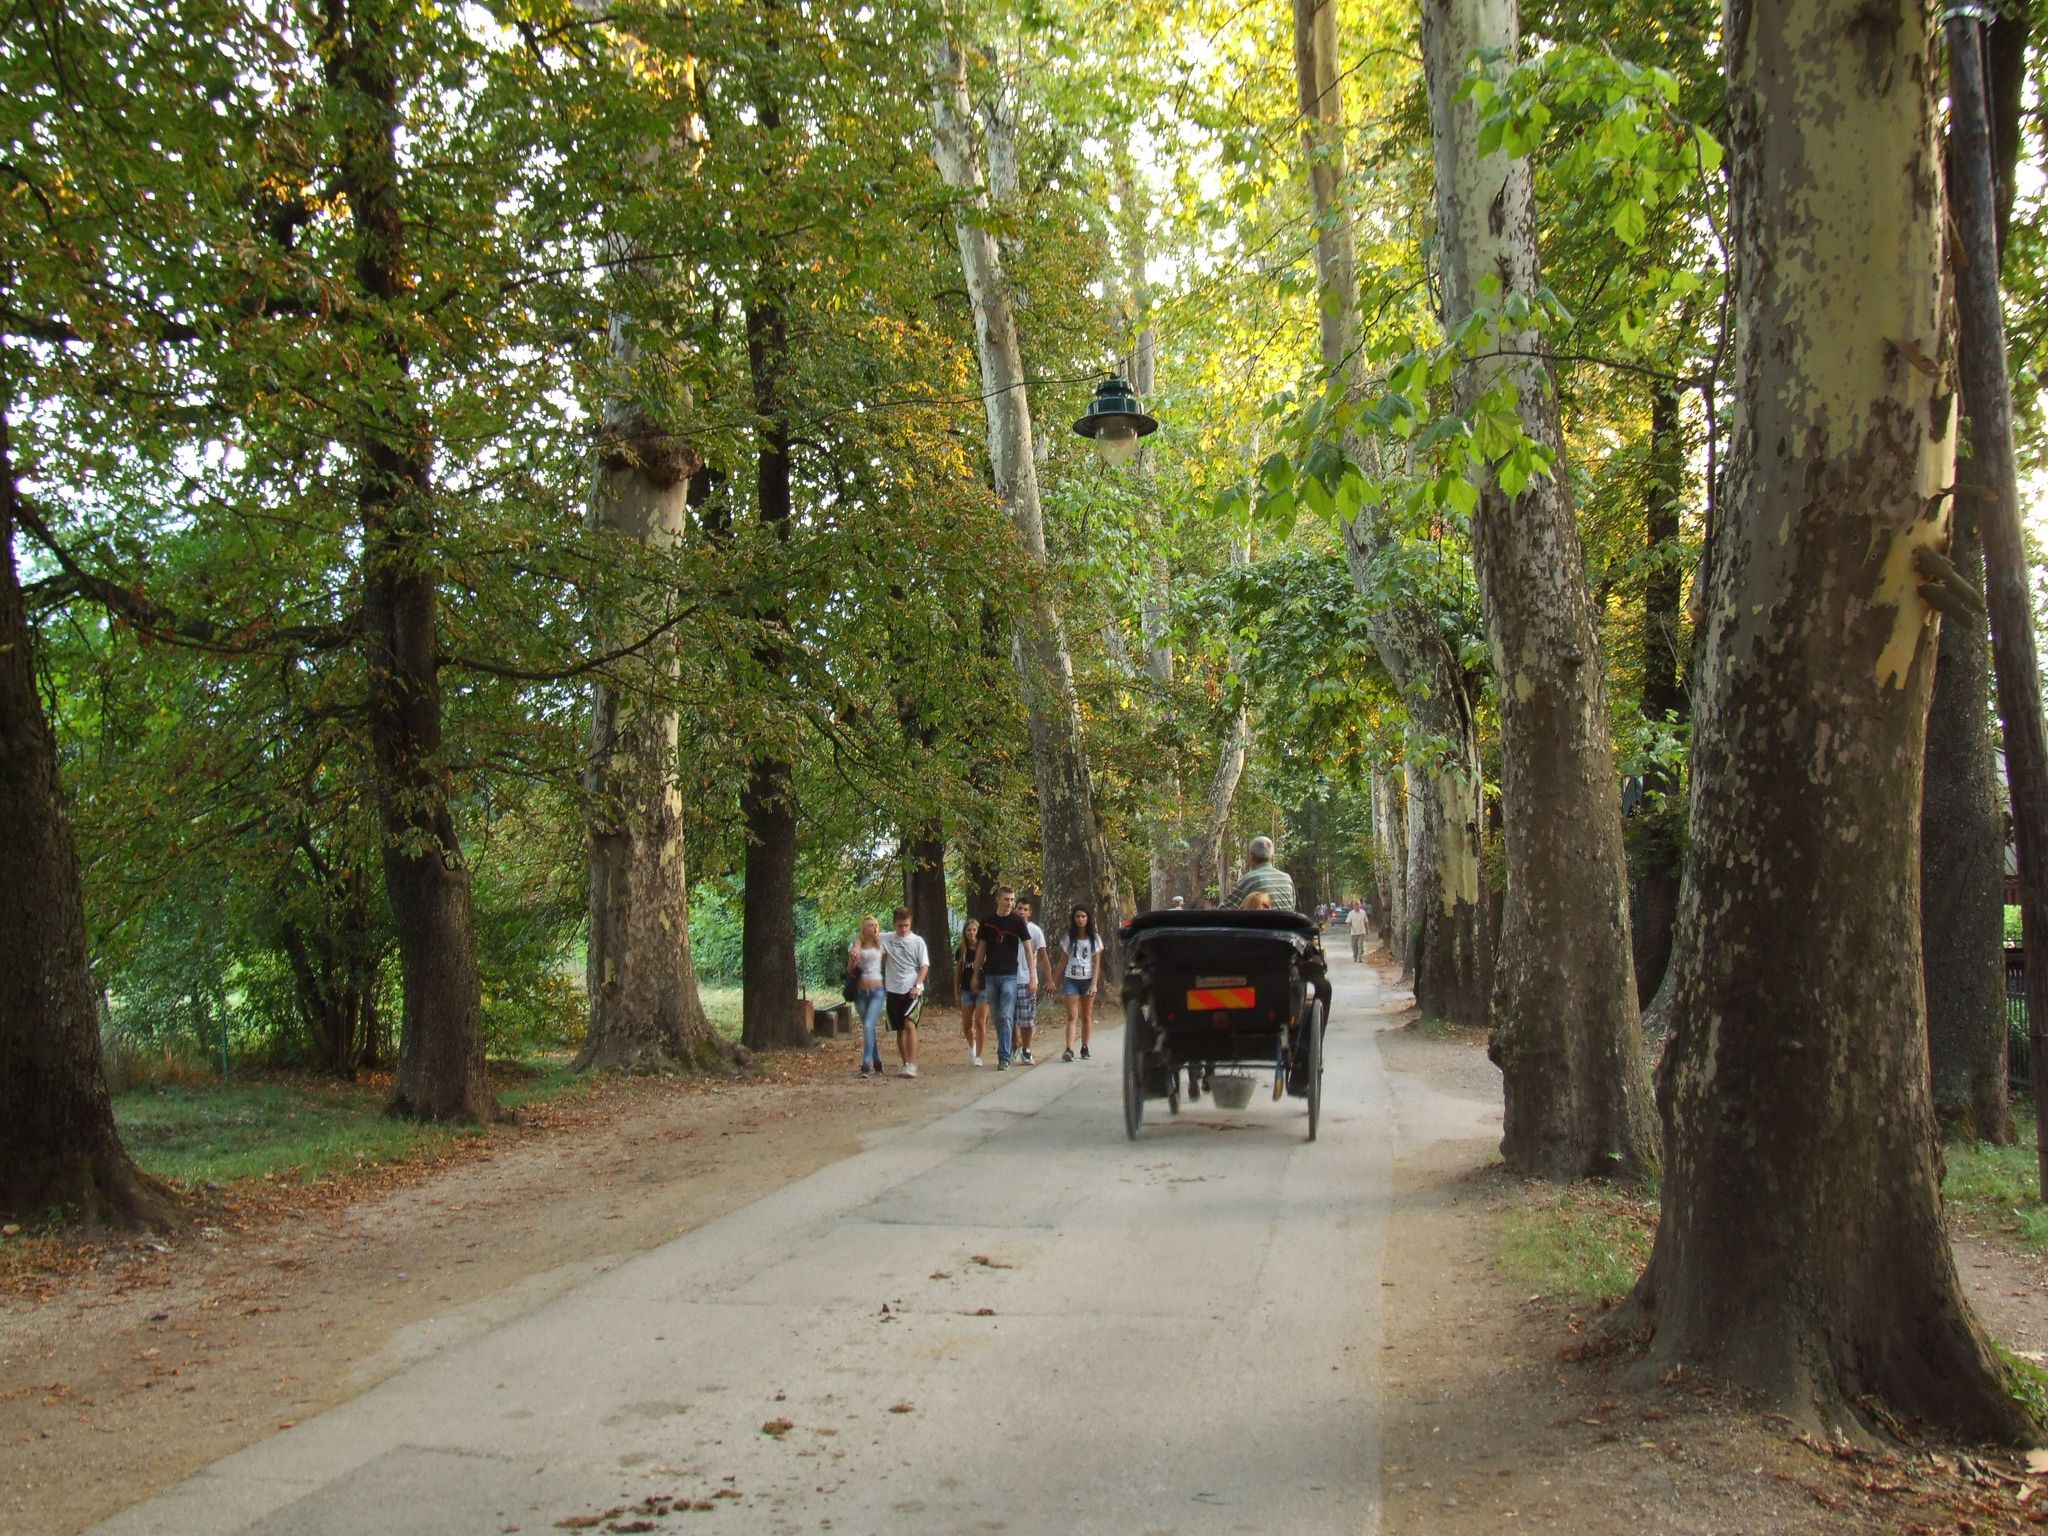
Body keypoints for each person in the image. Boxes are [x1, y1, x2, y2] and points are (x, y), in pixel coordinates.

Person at [972, 886, 1031, 1070]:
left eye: (1012, 900)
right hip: (991, 974)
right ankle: (1010, 1044)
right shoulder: (987, 922)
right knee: (997, 1017)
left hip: (1010, 975)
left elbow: (1028, 949)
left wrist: (1033, 975)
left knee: (1006, 1015)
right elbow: (981, 949)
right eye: (1006, 899)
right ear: (998, 900)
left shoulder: (1018, 922)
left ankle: (1003, 1056)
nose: (1010, 903)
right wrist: (976, 973)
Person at [879, 906, 930, 1079]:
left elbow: (924, 966)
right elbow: (866, 938)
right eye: (900, 926)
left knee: (910, 1024)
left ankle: (911, 1064)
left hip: (912, 989)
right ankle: (905, 1063)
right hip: (893, 989)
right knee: (899, 1029)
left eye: (906, 926)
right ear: (894, 924)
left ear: (911, 924)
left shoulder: (917, 942)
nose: (903, 929)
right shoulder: (885, 938)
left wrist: (918, 984)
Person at [1058, 906, 1102, 1062]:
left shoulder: (1094, 939)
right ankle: (1069, 1048)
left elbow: (1097, 962)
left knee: (1086, 1015)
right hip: (1071, 979)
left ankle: (1085, 1047)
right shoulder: (1069, 938)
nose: (1080, 919)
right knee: (1071, 1015)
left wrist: (1094, 984)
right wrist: (1053, 979)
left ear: (1088, 918)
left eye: (1083, 916)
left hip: (1088, 979)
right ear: (1073, 918)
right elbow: (1063, 960)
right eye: (1077, 916)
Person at [847, 916, 887, 1079]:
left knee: (869, 1024)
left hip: (877, 990)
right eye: (870, 925)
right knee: (868, 1027)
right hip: (860, 992)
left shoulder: (882, 943)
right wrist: (853, 961)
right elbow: (849, 969)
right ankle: (878, 1062)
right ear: (863, 928)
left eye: (876, 925)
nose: (874, 928)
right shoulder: (856, 944)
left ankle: (866, 1064)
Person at [1013, 895, 1050, 1064]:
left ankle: (1026, 1049)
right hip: (1008, 978)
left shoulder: (1035, 931)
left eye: (1025, 909)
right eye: (1019, 908)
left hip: (1027, 979)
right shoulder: (1008, 928)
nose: (1022, 912)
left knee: (1026, 1019)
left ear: (1030, 912)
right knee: (1008, 1017)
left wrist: (1048, 979)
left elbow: (1043, 956)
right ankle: (1013, 1045)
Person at [1221, 835, 1296, 911]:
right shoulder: (1287, 879)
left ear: (1252, 856)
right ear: (1272, 857)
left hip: (1260, 923)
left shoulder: (1249, 879)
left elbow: (1222, 911)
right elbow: (1292, 909)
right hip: (1286, 923)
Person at [955, 918, 987, 1066]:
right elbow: (957, 974)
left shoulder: (985, 948)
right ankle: (972, 1046)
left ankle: (979, 1055)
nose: (972, 933)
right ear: (965, 932)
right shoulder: (961, 951)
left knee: (980, 1022)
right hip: (967, 990)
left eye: (974, 930)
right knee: (967, 1025)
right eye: (969, 930)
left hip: (984, 989)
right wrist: (956, 991)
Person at [1346, 898, 1369, 962]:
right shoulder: (1351, 913)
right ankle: (1355, 957)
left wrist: (1367, 930)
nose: (1357, 906)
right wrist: (1349, 928)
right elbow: (1348, 922)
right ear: (1353, 906)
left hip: (1361, 932)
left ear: (1360, 905)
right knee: (1354, 946)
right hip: (1353, 932)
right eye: (1355, 904)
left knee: (1360, 945)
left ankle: (1360, 958)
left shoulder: (1363, 912)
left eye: (1358, 904)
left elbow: (1366, 922)